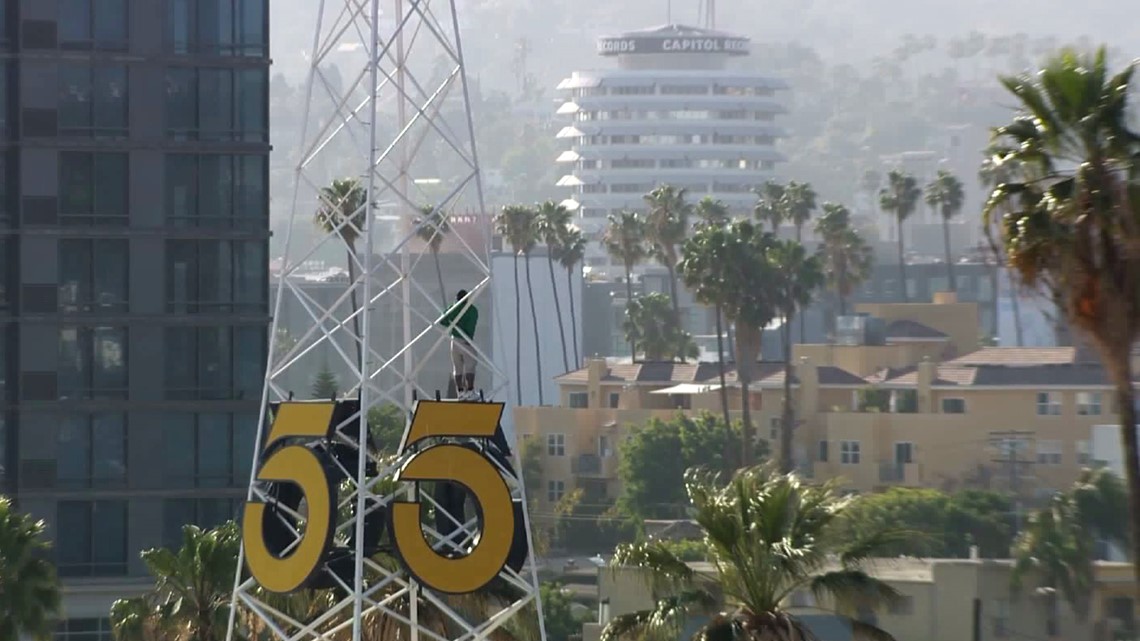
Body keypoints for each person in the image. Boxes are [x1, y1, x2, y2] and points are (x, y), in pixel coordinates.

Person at [440, 289, 479, 400]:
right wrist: (468, 338)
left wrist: (452, 324)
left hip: (454, 340)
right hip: (465, 340)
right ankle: (470, 391)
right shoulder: (471, 310)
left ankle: (460, 392)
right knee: (470, 365)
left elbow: (442, 320)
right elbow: (471, 326)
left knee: (457, 367)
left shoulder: (453, 308)